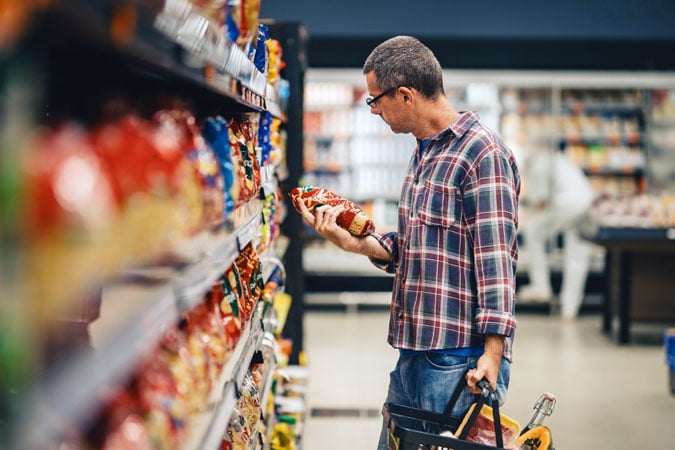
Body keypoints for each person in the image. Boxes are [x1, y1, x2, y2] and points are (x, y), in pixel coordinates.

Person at [293, 36, 520, 449]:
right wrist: (353, 243)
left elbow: (496, 262)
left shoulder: (481, 153)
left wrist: (493, 354)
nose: (374, 109)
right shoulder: (425, 152)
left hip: (458, 359)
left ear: (405, 95)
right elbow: (414, 248)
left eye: (375, 100)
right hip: (414, 352)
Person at [518, 146, 594, 319]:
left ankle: (541, 286)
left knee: (533, 232)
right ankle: (570, 308)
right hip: (585, 203)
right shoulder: (557, 159)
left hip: (566, 203)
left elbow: (542, 202)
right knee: (577, 256)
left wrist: (523, 210)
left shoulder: (537, 165)